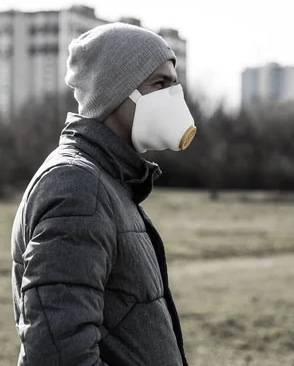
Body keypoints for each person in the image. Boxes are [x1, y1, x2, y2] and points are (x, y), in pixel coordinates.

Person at [11, 22, 196, 366]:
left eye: (175, 84)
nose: (174, 97)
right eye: (159, 83)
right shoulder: (76, 186)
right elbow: (59, 357)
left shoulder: (108, 180)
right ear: (115, 91)